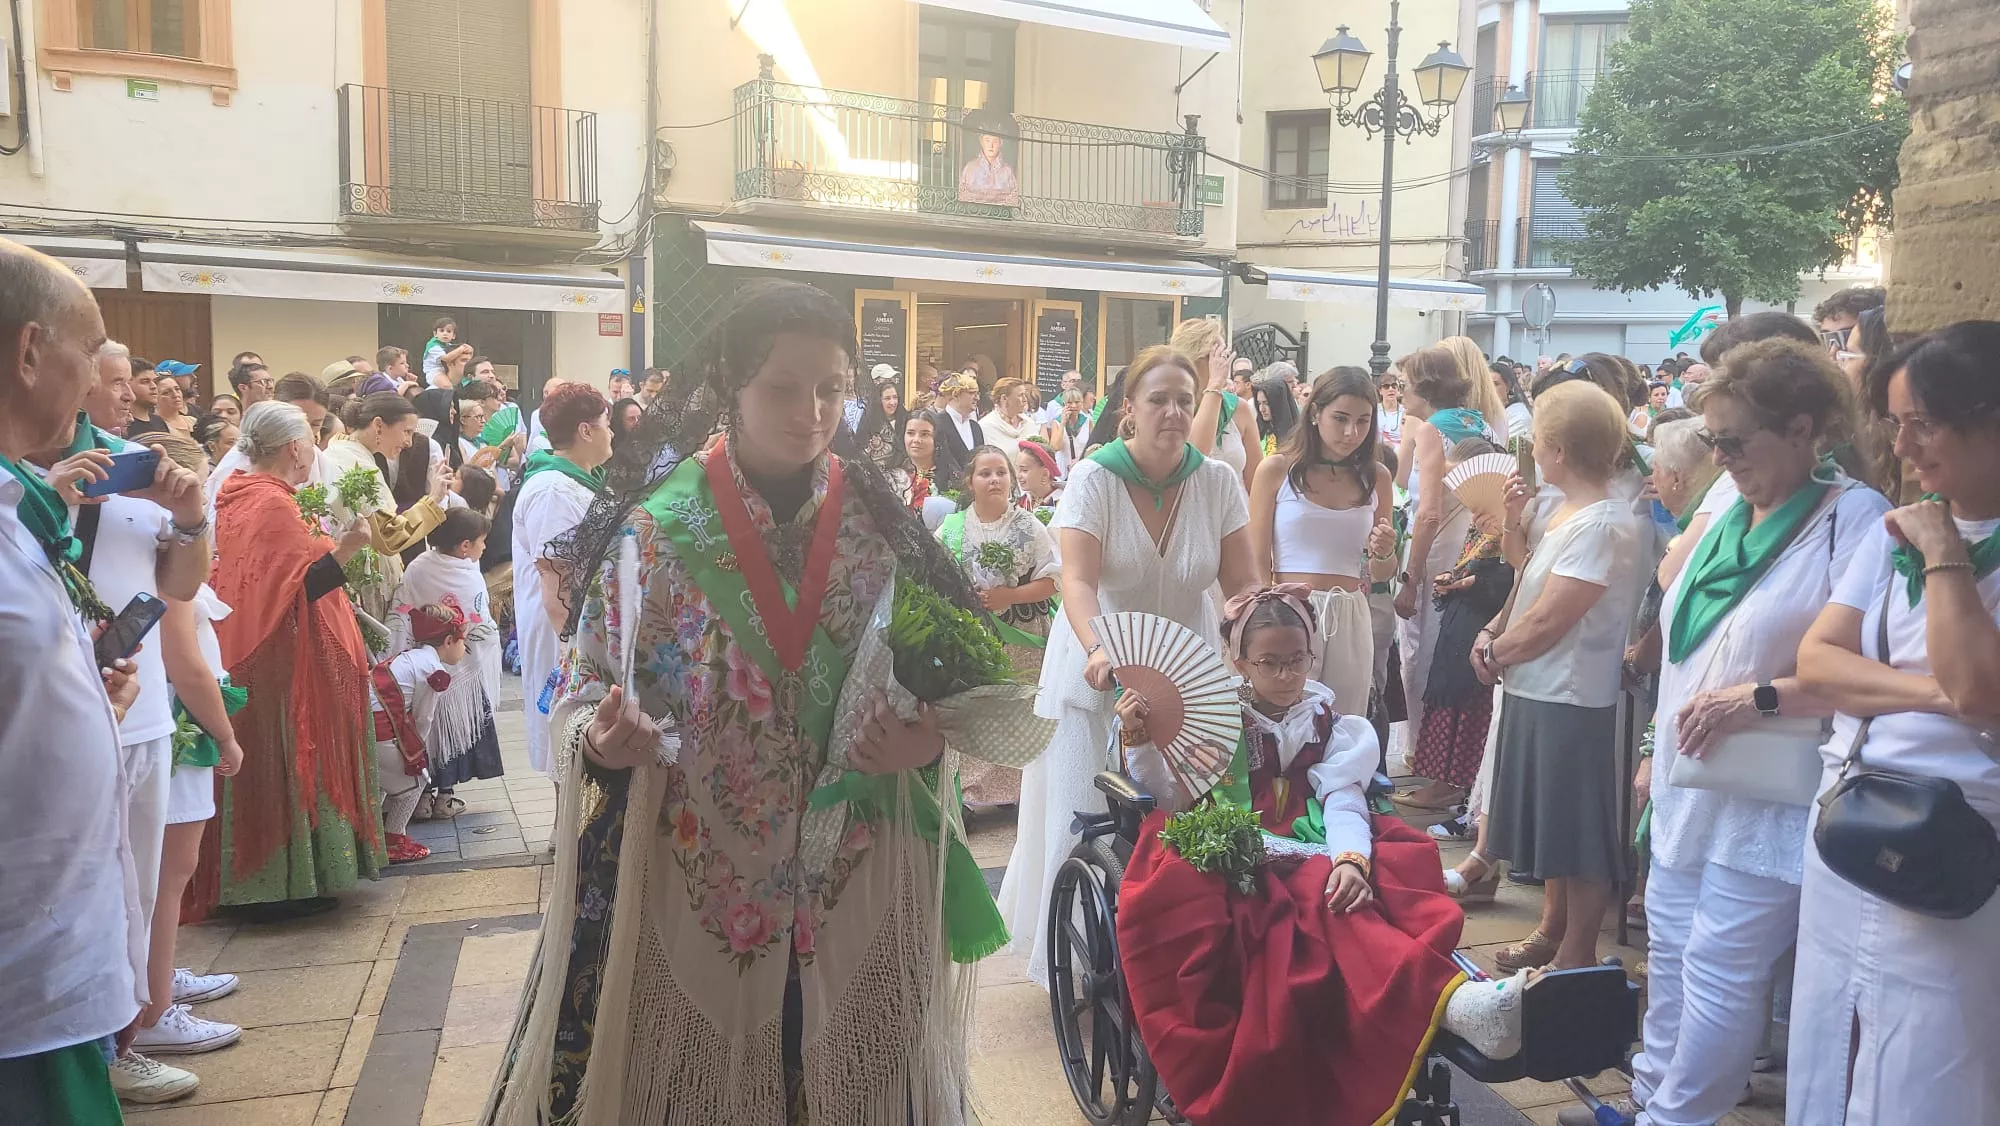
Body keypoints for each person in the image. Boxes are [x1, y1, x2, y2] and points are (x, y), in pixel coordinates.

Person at [486, 279, 1025, 1125]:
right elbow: (580, 685)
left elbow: (963, 690)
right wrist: (599, 739)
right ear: (730, 385)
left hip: (861, 865)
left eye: (832, 389)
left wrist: (926, 745)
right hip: (701, 874)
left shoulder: (884, 525)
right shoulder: (656, 530)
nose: (812, 411)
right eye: (783, 387)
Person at [1577, 339, 1888, 1126]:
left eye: (1735, 440)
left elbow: (1863, 663)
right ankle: (1648, 1098)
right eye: (1712, 439)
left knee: (1723, 969)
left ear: (1804, 429)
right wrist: (1653, 751)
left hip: (1773, 790)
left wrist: (1759, 698)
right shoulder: (1725, 509)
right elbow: (1681, 654)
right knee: (1672, 957)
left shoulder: (1853, 518)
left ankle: (1673, 1119)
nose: (1721, 455)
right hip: (1692, 779)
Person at [1114, 588, 1530, 1126]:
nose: (1287, 675)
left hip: (1317, 833)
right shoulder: (1209, 716)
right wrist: (1140, 739)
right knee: (1319, 897)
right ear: (1238, 661)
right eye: (1270, 663)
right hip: (1228, 836)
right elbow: (1168, 795)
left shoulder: (1330, 720)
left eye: (1297, 660)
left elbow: (1343, 798)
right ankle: (1451, 1003)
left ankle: (1447, 996)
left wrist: (1352, 857)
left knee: (1370, 881)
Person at [1791, 321, 2000, 1126]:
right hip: (1854, 808)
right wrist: (1934, 695)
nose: (1903, 446)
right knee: (1830, 1034)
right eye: (1895, 421)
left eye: (1925, 423)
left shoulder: (1929, 533)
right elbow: (1818, 663)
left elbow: (1979, 682)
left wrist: (1945, 552)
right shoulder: (1898, 530)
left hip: (1958, 838)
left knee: (1934, 1056)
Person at [999, 344, 1260, 987]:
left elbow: (1241, 587)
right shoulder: (1095, 477)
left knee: (1183, 811)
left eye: (1183, 398)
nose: (1172, 412)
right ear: (1129, 411)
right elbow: (1078, 583)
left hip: (1187, 672)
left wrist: (1263, 640)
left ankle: (1173, 946)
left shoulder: (1217, 481)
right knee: (1084, 805)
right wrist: (1098, 650)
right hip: (1099, 661)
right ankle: (1081, 957)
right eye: (1158, 399)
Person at [0, 239, 159, 1117]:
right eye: (89, 345)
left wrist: (84, 703)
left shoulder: (19, 511)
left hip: (58, 966)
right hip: (18, 989)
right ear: (29, 352)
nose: (107, 378)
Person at [1475, 380, 1650, 973]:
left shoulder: (1601, 522)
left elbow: (1553, 617)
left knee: (1577, 833)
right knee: (1557, 832)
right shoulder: (1576, 512)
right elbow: (1530, 585)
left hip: (1569, 695)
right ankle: (1563, 943)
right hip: (1543, 687)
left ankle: (1576, 954)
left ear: (1557, 449)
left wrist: (1499, 652)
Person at [193, 401, 384, 919]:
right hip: (284, 664)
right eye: (310, 439)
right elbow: (296, 590)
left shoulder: (247, 495)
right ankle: (284, 884)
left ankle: (295, 879)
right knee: (285, 758)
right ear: (293, 447)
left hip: (272, 655)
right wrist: (346, 549)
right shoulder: (272, 503)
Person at [128, 434, 248, 1076]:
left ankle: (159, 973)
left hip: (170, 725)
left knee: (163, 874)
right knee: (167, 873)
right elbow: (188, 664)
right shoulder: (167, 570)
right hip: (177, 726)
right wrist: (225, 735)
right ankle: (152, 1009)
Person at [1249, 366, 1396, 721]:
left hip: (1350, 610)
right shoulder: (1277, 469)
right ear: (1315, 413)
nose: (1352, 432)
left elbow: (1381, 572)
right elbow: (1254, 560)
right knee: (1282, 724)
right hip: (1289, 610)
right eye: (1341, 418)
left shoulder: (1377, 476)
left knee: (1345, 725)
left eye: (1363, 421)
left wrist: (1385, 549)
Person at [937, 445, 1061, 806]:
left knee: (1018, 711)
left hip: (1021, 636)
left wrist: (1010, 596)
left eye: (1001, 472)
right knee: (978, 711)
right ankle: (973, 795)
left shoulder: (1029, 526)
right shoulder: (953, 527)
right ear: (969, 482)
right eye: (985, 473)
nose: (994, 479)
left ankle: (1021, 795)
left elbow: (1054, 581)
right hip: (972, 638)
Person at [1393, 346, 1494, 767]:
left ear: (1425, 388)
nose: (1399, 393)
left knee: (1419, 656)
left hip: (1433, 555)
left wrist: (1410, 576)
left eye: (1404, 385)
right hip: (1471, 549)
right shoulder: (1481, 424)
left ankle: (1421, 753)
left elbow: (1428, 510)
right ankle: (1449, 754)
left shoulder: (1430, 430)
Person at [1406, 438, 1514, 812]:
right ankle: (1446, 781)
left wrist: (1467, 581)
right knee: (1449, 695)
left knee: (1468, 703)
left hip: (1481, 620)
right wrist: (1455, 576)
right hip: (1460, 618)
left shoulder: (1510, 524)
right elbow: (1472, 564)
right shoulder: (1479, 522)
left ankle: (1457, 784)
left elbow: (1507, 577)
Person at [509, 383, 611, 774]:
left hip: (585, 626)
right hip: (565, 631)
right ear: (585, 431)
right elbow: (557, 574)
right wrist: (574, 645)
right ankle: (562, 828)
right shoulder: (553, 489)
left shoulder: (582, 480)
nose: (612, 432)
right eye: (606, 424)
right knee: (566, 724)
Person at [321, 391, 455, 620]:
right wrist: (432, 500)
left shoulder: (346, 452)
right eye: (407, 432)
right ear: (378, 425)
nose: (409, 442)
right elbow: (386, 536)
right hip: (360, 578)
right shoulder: (356, 463)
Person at [371, 602, 482, 862]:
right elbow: (424, 717)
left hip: (372, 727)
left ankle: (374, 835)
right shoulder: (433, 669)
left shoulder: (410, 656)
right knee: (414, 783)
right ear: (448, 640)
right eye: (462, 642)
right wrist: (416, 751)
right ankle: (393, 839)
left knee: (384, 782)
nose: (464, 649)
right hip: (383, 731)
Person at [1173, 317, 1263, 490]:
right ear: (1194, 359)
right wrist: (1214, 386)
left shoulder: (1238, 408)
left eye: (1225, 356)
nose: (1224, 364)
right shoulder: (1171, 408)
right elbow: (1195, 460)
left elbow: (1256, 484)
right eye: (1218, 356)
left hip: (1236, 513)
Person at [932, 372, 984, 479]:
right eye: (971, 393)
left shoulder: (976, 427)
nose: (977, 398)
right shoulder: (938, 423)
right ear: (956, 395)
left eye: (977, 394)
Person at [855, 373, 908, 470]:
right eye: (887, 398)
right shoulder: (869, 422)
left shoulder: (905, 419)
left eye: (895, 397)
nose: (892, 402)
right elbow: (860, 450)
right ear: (879, 400)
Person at [978, 376, 1038, 458]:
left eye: (1025, 395)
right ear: (1004, 398)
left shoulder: (1028, 423)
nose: (1025, 399)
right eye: (1020, 395)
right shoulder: (986, 427)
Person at [1252, 368, 1302, 457]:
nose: (1261, 409)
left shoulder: (1296, 437)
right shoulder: (1260, 431)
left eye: (1266, 403)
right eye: (1259, 403)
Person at [422, 317, 474, 388]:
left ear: (453, 336)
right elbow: (446, 358)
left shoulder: (448, 345)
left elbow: (468, 352)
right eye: (442, 331)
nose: (445, 333)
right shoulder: (433, 346)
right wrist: (462, 348)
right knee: (447, 386)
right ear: (435, 334)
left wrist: (470, 349)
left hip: (445, 369)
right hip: (434, 372)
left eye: (448, 331)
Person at [1046, 386, 1089, 471]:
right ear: (1064, 404)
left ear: (1082, 403)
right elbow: (1055, 447)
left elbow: (1092, 446)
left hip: (1082, 468)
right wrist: (1063, 423)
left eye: (1077, 402)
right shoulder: (1056, 423)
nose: (1074, 406)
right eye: (1069, 402)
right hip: (1063, 470)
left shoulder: (1087, 421)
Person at [1015, 436, 1062, 513]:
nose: (1018, 475)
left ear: (1045, 475)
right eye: (1017, 469)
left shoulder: (1063, 503)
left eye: (1024, 470)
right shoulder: (1020, 501)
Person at [1377, 368, 1407, 452]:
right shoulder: (1374, 411)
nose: (1391, 389)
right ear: (1380, 391)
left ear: (1398, 390)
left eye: (1394, 386)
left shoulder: (1406, 411)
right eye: (1386, 386)